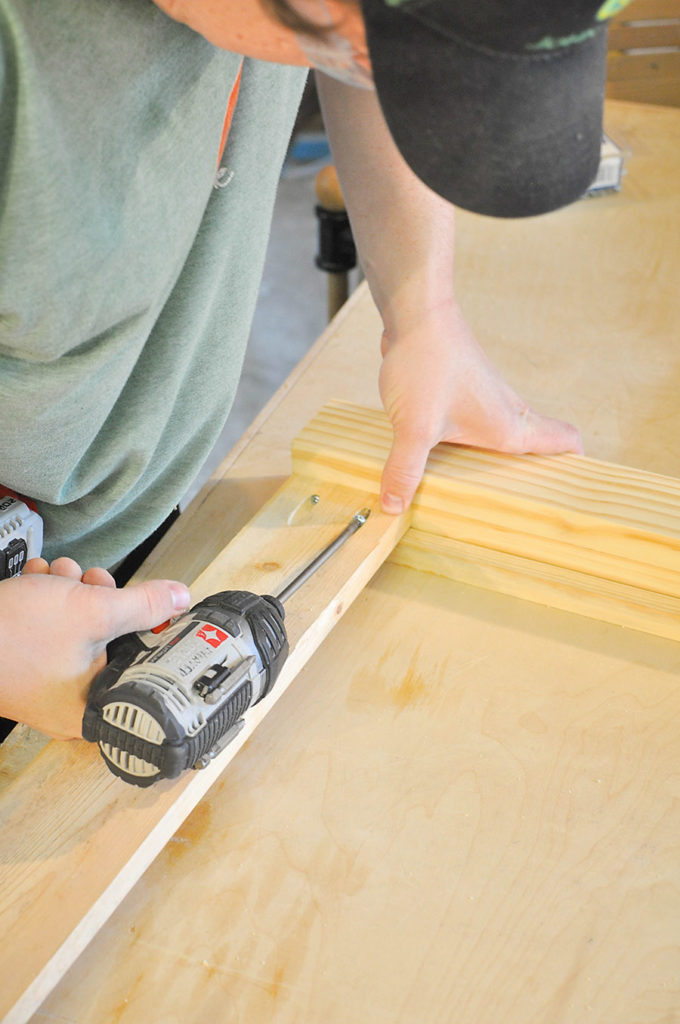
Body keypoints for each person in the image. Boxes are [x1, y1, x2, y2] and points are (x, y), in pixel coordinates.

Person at [0, 0, 622, 740]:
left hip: (113, 542)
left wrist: (424, 311)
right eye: (372, 47)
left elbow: (358, 45)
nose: (377, 67)